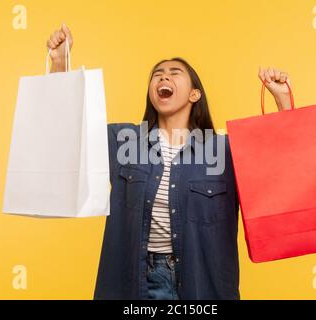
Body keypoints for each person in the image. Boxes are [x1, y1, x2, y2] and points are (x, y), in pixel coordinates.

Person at [46, 24, 293, 300]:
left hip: (202, 285)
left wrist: (282, 99)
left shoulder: (224, 149)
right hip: (134, 283)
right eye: (157, 75)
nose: (163, 77)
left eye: (175, 73)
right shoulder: (124, 140)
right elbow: (68, 135)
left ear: (194, 94)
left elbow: (280, 173)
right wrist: (59, 63)